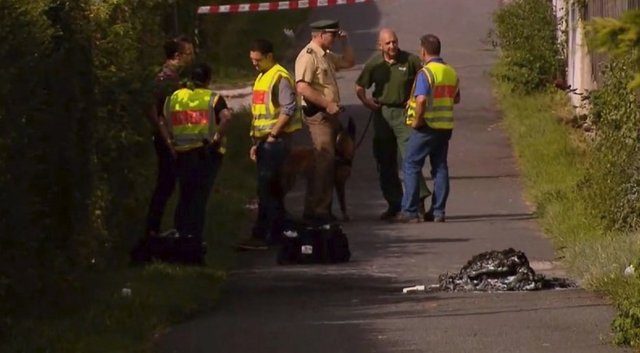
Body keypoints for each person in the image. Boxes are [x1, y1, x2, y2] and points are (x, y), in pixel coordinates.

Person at [355, 28, 431, 221]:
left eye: (394, 42)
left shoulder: (410, 60)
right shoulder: (374, 64)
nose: (392, 46)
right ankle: (394, 203)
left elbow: (426, 77)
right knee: (385, 160)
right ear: (380, 45)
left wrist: (414, 97)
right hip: (382, 113)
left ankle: (418, 200)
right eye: (388, 43)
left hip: (404, 114)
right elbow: (359, 86)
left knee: (410, 158)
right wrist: (367, 103)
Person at [239, 39, 301, 250]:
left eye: (257, 60)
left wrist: (273, 135)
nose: (254, 64)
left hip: (275, 142)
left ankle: (266, 235)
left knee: (267, 191)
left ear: (269, 56)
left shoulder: (279, 77)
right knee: (270, 191)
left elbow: (288, 108)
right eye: (252, 60)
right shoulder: (262, 76)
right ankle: (279, 234)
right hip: (264, 142)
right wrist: (256, 142)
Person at [391, 34, 460, 223]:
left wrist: (417, 121)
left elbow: (421, 99)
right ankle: (438, 212)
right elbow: (456, 98)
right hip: (444, 127)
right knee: (440, 167)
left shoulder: (426, 73)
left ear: (423, 51)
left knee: (411, 164)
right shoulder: (451, 72)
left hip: (426, 126)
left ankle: (410, 211)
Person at [165, 63, 232, 255]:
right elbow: (226, 117)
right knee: (199, 198)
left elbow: (165, 121)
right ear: (208, 80)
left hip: (180, 153)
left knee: (184, 195)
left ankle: (180, 236)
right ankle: (194, 240)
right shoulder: (212, 98)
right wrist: (217, 138)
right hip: (205, 154)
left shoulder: (174, 97)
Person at [295, 19, 355, 222]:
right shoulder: (308, 56)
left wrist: (346, 43)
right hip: (318, 115)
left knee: (329, 164)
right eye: (333, 35)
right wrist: (327, 104)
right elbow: (302, 87)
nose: (335, 39)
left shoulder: (325, 55)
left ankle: (324, 208)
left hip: (329, 116)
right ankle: (317, 211)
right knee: (324, 162)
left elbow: (349, 62)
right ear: (321, 35)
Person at [144, 36, 194, 238]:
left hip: (174, 138)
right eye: (189, 53)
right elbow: (154, 111)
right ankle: (153, 230)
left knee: (172, 184)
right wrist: (168, 141)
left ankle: (167, 228)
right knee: (166, 184)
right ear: (177, 56)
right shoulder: (165, 79)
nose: (192, 57)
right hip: (167, 139)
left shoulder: (175, 77)